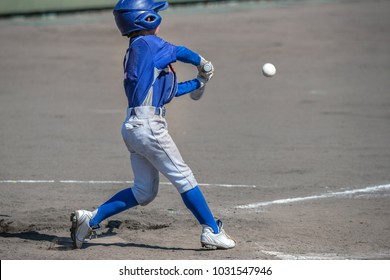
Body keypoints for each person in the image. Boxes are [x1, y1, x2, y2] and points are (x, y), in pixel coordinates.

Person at [70, 0, 236, 250]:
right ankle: (211, 230)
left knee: (144, 191)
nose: (159, 17)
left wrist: (199, 82)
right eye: (155, 13)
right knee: (184, 177)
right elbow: (181, 51)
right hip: (149, 127)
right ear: (146, 18)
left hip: (135, 127)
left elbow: (169, 91)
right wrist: (203, 62)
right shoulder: (149, 44)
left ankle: (90, 219)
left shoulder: (138, 51)